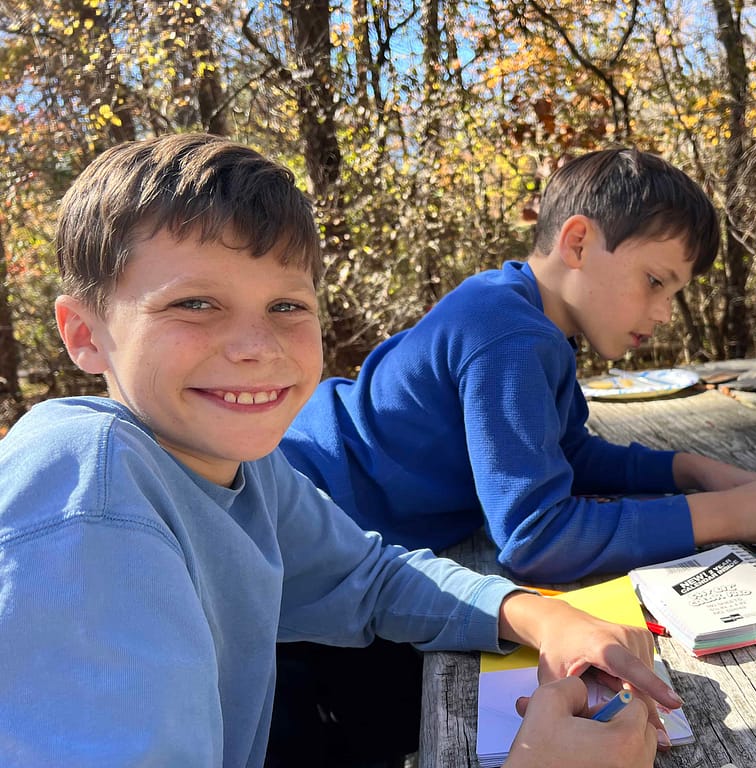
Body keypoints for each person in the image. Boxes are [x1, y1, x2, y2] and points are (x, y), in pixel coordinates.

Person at [0, 134, 680, 768]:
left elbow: (371, 579)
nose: (255, 346)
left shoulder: (248, 469)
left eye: (287, 307)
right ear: (85, 334)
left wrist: (539, 613)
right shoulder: (86, 491)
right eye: (196, 304)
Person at [281, 147, 756, 583]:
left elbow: (563, 454)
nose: (666, 313)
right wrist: (731, 513)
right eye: (655, 281)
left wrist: (689, 470)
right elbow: (536, 539)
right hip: (299, 518)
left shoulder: (524, 314)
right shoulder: (509, 335)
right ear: (577, 243)